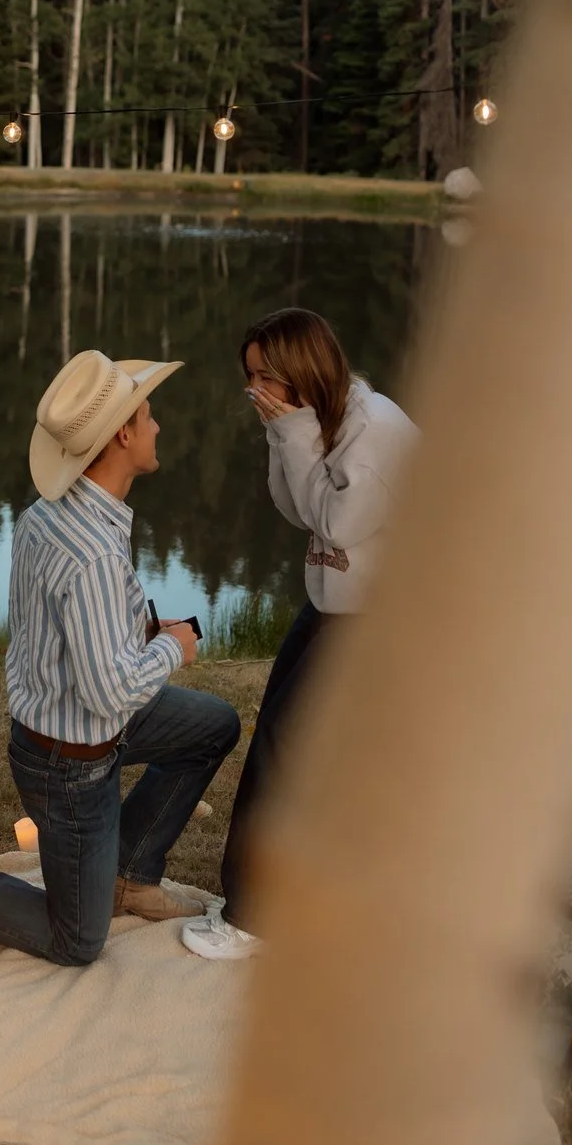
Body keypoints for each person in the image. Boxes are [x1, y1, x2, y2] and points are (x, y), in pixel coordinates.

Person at [0, 348, 241, 966]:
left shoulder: (53, 514)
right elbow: (109, 693)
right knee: (78, 941)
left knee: (214, 726)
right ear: (122, 433)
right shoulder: (92, 554)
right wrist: (174, 646)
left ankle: (131, 875)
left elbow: (64, 626)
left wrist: (139, 627)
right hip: (69, 763)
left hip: (86, 725)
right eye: (149, 414)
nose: (158, 425)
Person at [181, 308, 417, 962]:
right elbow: (295, 512)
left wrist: (290, 432)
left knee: (285, 749)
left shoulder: (374, 431)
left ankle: (254, 918)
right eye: (248, 375)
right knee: (286, 742)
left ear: (296, 371)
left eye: (262, 376)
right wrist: (282, 435)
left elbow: (336, 524)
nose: (252, 388)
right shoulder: (317, 421)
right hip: (336, 601)